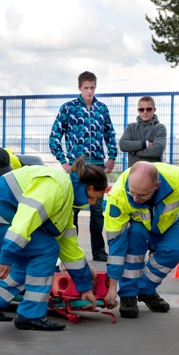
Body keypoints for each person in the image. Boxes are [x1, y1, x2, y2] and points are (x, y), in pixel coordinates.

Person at [0, 157, 108, 331]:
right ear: (90, 188)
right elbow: (26, 219)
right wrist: (7, 255)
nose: (92, 203)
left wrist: (85, 286)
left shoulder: (66, 199)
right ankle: (30, 315)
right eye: (95, 197)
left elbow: (70, 248)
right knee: (46, 249)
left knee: (30, 259)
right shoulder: (56, 186)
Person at [103, 161, 179, 319]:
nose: (136, 198)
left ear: (157, 186)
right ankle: (128, 295)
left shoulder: (178, 180)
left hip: (167, 224)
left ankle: (145, 290)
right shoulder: (118, 196)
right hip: (137, 226)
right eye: (132, 192)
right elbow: (116, 245)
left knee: (177, 248)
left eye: (143, 195)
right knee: (134, 239)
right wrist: (112, 287)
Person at [49, 71, 118, 262]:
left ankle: (98, 251)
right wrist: (63, 160)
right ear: (79, 88)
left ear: (96, 87)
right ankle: (71, 251)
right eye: (86, 88)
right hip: (76, 166)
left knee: (97, 210)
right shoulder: (68, 108)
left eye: (92, 88)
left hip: (97, 166)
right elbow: (55, 135)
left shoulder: (102, 108)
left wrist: (112, 156)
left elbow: (110, 134)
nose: (89, 91)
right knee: (72, 210)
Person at [119, 96, 167, 167]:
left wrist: (134, 151)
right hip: (134, 172)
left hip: (153, 173)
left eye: (149, 109)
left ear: (154, 110)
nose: (145, 112)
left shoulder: (160, 128)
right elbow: (123, 145)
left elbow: (158, 150)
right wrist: (146, 144)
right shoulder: (131, 127)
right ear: (138, 110)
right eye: (142, 109)